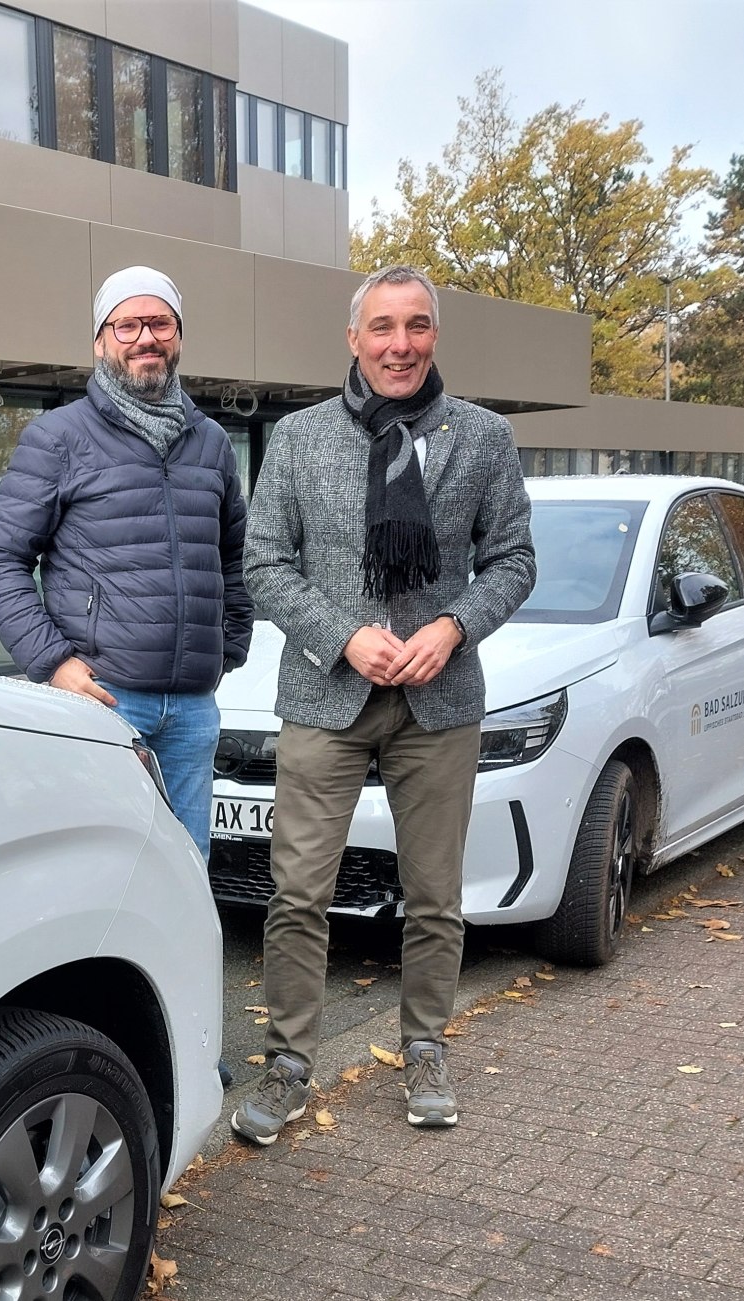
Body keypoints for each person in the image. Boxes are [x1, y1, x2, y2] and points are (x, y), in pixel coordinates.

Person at [231, 264, 536, 1144]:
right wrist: (340, 634)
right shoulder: (296, 439)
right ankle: (289, 1061)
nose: (398, 345)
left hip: (437, 701)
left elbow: (512, 560)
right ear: (353, 340)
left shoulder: (481, 437)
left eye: (414, 327)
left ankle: (424, 1046)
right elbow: (264, 565)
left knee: (434, 893)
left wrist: (453, 625)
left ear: (433, 336)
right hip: (325, 696)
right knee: (296, 893)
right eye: (381, 328)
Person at [0, 265, 253, 866]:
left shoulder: (211, 443)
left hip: (193, 707)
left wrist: (228, 646)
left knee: (186, 869)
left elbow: (234, 556)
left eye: (159, 322)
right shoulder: (58, 437)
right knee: (104, 870)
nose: (145, 338)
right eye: (127, 325)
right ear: (101, 341)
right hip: (103, 699)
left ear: (178, 335)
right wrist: (52, 664)